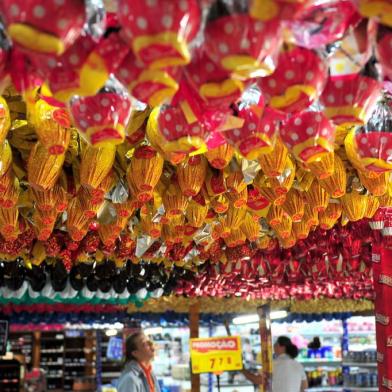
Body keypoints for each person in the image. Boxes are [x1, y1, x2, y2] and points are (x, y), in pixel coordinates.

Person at [242, 336, 308, 392]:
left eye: (275, 344)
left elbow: (257, 380)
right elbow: (304, 387)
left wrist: (242, 370)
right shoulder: (298, 365)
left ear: (280, 346)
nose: (274, 347)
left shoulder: (272, 365)